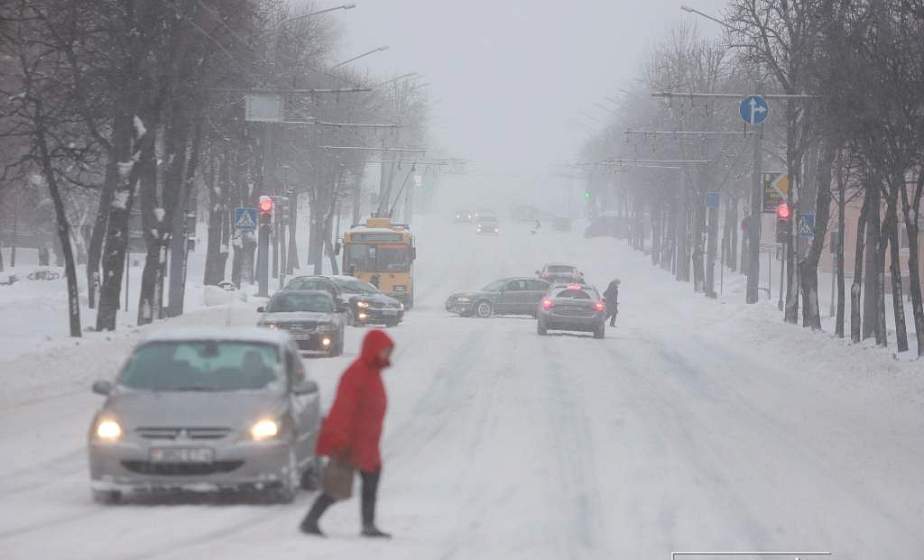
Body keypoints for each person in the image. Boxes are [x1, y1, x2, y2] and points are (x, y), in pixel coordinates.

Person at [300, 330, 395, 539]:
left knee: (371, 478)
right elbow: (344, 407)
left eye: (388, 350)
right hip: (351, 441)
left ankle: (368, 525)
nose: (387, 354)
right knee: (337, 485)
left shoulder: (372, 373)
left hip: (367, 442)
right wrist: (338, 437)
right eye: (384, 350)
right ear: (372, 349)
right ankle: (310, 521)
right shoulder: (357, 373)